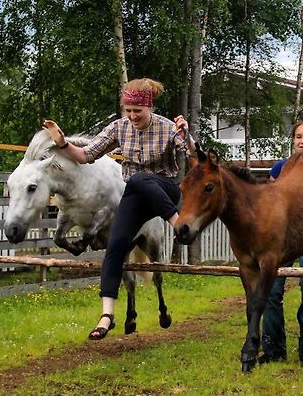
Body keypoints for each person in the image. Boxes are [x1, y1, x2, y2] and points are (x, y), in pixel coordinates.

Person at [43, 77, 195, 340]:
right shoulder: (119, 128)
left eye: (138, 111)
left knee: (138, 178)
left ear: (149, 108)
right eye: (128, 111)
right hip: (135, 194)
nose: (133, 116)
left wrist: (186, 135)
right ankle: (107, 315)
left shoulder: (167, 127)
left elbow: (192, 153)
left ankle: (178, 224)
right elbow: (85, 156)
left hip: (165, 190)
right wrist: (63, 143)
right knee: (116, 246)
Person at [260, 120, 303, 366]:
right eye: (298, 136)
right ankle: (273, 348)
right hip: (282, 236)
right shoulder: (280, 168)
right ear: (292, 140)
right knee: (270, 289)